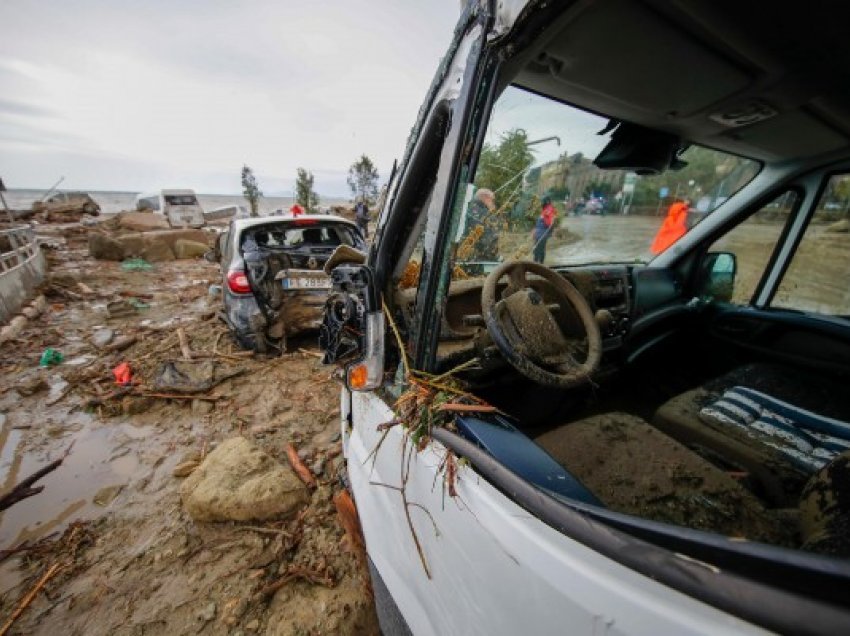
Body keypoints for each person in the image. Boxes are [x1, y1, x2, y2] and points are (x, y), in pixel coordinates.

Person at [459, 188, 499, 263]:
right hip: (476, 259)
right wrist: (494, 258)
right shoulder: (480, 212)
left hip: (469, 256)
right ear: (485, 198)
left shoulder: (471, 207)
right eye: (492, 200)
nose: (494, 203)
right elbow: (486, 239)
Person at [532, 195, 557, 263]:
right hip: (540, 233)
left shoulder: (549, 210)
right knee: (538, 250)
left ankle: (538, 266)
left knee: (538, 250)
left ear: (546, 202)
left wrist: (550, 219)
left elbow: (550, 223)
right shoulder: (546, 209)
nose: (541, 203)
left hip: (542, 234)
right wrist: (535, 232)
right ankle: (538, 265)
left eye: (542, 202)